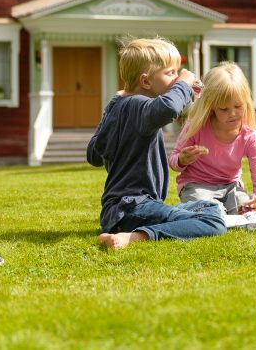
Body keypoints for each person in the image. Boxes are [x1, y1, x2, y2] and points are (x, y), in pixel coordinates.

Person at [86, 37, 227, 249]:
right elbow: (168, 109)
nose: (175, 78)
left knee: (209, 206)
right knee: (214, 222)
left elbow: (94, 155)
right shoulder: (140, 105)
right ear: (145, 82)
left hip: (115, 211)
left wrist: (111, 108)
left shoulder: (120, 106)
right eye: (170, 73)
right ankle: (133, 237)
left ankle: (123, 231)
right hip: (135, 208)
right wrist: (183, 86)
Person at [169, 62, 256, 214]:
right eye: (224, 109)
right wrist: (182, 160)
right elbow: (173, 162)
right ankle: (184, 213)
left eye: (238, 106)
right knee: (211, 211)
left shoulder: (249, 135)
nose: (233, 114)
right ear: (212, 106)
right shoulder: (196, 126)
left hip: (231, 186)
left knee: (247, 210)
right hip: (196, 185)